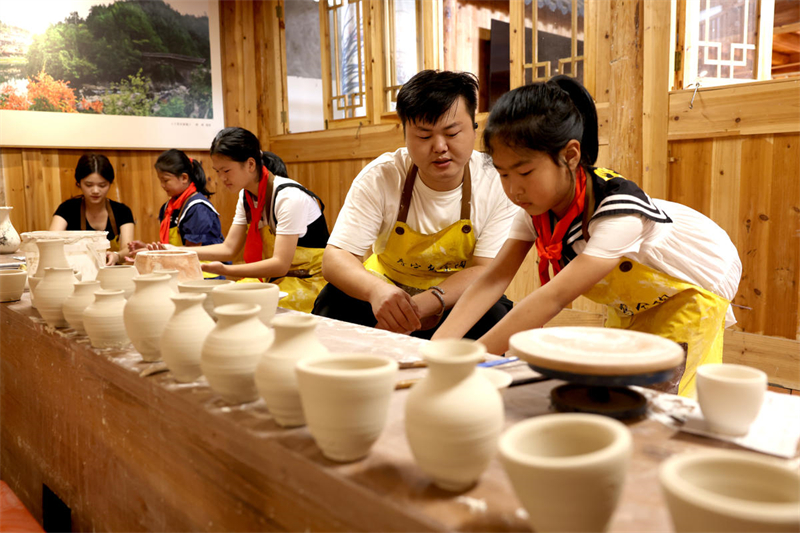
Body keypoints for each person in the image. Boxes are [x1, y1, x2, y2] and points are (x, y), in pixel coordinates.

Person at [433, 75, 742, 397]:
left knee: (662, 392)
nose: (513, 189)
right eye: (503, 174)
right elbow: (492, 280)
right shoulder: (535, 208)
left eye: (524, 172)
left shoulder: (619, 214)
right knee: (620, 384)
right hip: (634, 301)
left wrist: (469, 361)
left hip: (693, 282)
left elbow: (554, 297)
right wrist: (437, 350)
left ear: (570, 155)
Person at [312, 70, 519, 339]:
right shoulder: (382, 176)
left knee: (494, 315)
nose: (440, 147)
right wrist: (378, 292)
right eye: (424, 136)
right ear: (406, 134)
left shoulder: (496, 180)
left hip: (454, 297)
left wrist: (426, 303)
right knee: (333, 302)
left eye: (452, 133)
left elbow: (485, 269)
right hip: (387, 292)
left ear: (474, 127)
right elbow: (336, 258)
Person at [141, 128, 329, 312]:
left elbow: (280, 263)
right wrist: (177, 251)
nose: (221, 178)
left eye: (226, 170)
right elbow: (228, 249)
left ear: (250, 164)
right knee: (219, 301)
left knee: (247, 311)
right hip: (275, 279)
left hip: (309, 282)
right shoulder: (246, 197)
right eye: (217, 171)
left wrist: (226, 271)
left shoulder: (288, 197)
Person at [129, 149, 225, 277]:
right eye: (160, 180)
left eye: (166, 180)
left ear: (184, 178)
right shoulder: (168, 207)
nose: (162, 185)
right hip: (180, 269)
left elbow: (190, 253)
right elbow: (174, 247)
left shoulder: (197, 208)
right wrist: (148, 248)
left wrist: (152, 254)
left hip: (206, 274)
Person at [50, 153, 135, 265]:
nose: (95, 190)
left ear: (110, 184)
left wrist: (116, 256)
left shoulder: (122, 211)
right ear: (79, 183)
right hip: (76, 272)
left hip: (111, 271)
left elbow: (128, 249)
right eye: (89, 185)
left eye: (102, 185)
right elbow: (50, 242)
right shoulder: (67, 209)